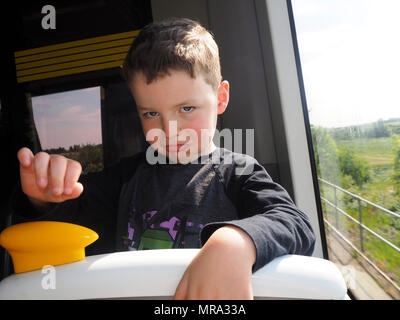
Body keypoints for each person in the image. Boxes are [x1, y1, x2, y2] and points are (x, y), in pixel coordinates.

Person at [13, 18, 315, 299]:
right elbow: (74, 212)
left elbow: (295, 223)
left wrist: (237, 241)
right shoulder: (126, 177)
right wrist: (44, 196)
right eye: (151, 113)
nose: (169, 130)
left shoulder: (238, 173)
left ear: (221, 98)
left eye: (186, 109)